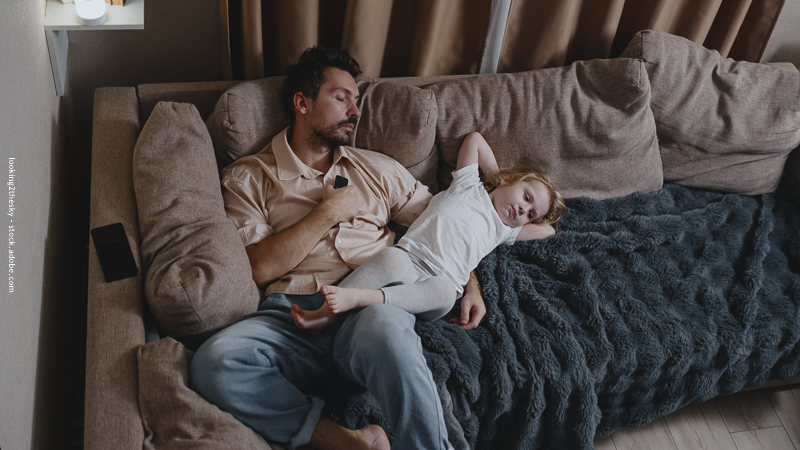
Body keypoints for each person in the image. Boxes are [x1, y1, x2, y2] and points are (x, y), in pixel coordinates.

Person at [189, 46, 486, 450]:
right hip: (294, 317)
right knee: (213, 362)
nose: (355, 110)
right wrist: (326, 214)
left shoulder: (375, 168)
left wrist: (470, 284)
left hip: (369, 307)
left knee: (385, 324)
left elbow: (444, 226)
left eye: (357, 101)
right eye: (341, 97)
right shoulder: (249, 178)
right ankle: (352, 443)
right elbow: (258, 268)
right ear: (302, 103)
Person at [291, 131, 566, 334]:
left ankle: (365, 298)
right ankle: (323, 316)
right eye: (526, 197)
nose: (523, 210)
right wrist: (497, 175)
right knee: (389, 259)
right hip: (411, 257)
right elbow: (475, 141)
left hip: (442, 281)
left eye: (531, 213)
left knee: (446, 295)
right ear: (509, 180)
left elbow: (547, 232)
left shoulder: (504, 231)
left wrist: (540, 212)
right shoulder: (469, 184)